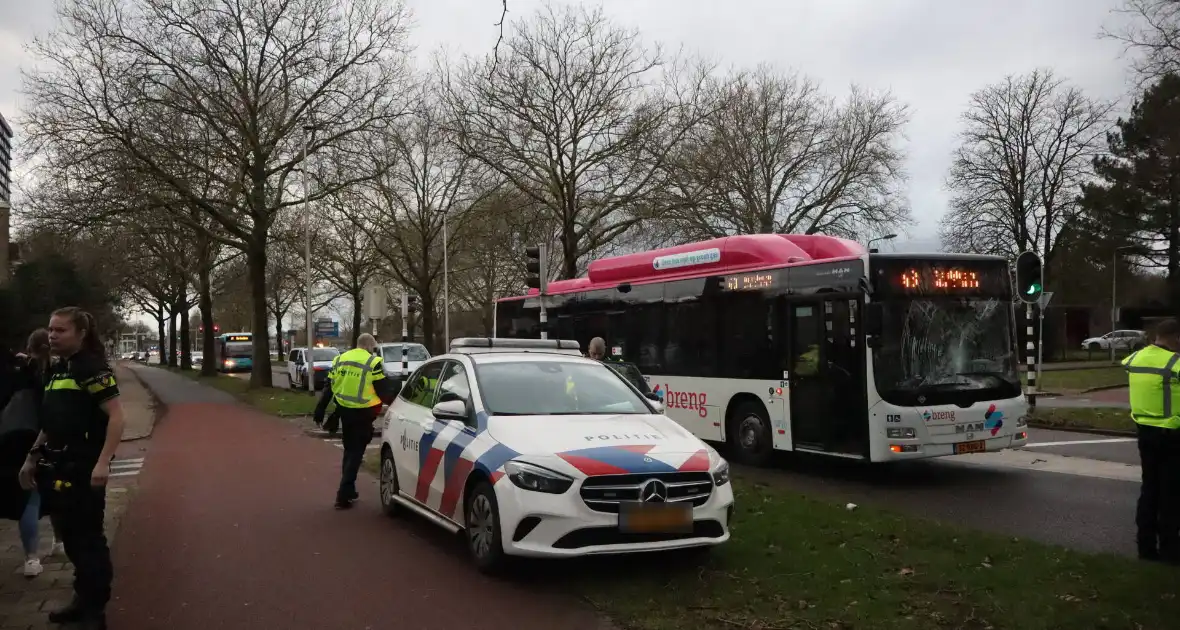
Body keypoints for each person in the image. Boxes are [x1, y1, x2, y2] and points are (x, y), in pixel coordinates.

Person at [19, 307, 125, 628]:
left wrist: (103, 461)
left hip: (84, 467)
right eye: (50, 330)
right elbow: (50, 422)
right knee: (73, 540)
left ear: (80, 333)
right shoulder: (57, 370)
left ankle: (95, 610)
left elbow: (117, 417)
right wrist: (32, 457)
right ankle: (82, 600)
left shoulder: (92, 369)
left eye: (60, 330)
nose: (52, 335)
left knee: (89, 540)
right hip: (58, 466)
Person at [1, 330, 64, 577]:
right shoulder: (56, 372)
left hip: (17, 440)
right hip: (50, 438)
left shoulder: (19, 372)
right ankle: (59, 542)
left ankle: (31, 558)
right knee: (55, 490)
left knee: (30, 495)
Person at [313, 334, 396, 509]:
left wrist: (320, 409)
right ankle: (342, 495)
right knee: (356, 453)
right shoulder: (373, 362)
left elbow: (329, 387)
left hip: (344, 411)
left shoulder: (340, 359)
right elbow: (382, 391)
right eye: (373, 348)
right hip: (363, 413)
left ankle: (349, 490)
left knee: (350, 450)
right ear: (369, 347)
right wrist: (395, 401)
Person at [1122, 318, 1180, 565]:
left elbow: (1125, 363)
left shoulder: (1135, 359)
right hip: (1171, 435)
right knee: (1170, 495)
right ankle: (1170, 551)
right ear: (1176, 338)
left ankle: (1145, 547)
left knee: (1149, 490)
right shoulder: (1175, 363)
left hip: (1144, 432)